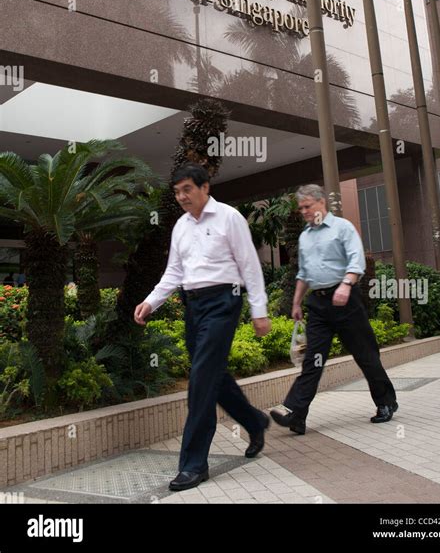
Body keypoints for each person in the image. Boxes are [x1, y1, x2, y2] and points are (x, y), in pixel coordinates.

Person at [134, 163, 271, 491]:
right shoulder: (180, 226)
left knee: (200, 380)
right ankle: (254, 421)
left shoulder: (229, 217)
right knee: (212, 374)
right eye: (177, 191)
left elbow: (250, 266)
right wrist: (151, 301)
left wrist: (259, 310)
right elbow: (174, 272)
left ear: (205, 188)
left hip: (225, 302)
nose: (181, 197)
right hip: (193, 305)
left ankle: (194, 464)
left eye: (187, 190)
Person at [270, 184, 398, 436]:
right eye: (301, 208)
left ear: (321, 203)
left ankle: (386, 402)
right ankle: (296, 414)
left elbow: (356, 261)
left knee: (366, 356)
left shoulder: (342, 228)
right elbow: (304, 274)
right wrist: (296, 302)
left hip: (346, 302)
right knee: (312, 361)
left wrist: (346, 284)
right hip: (318, 306)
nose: (304, 211)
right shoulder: (305, 236)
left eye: (307, 206)